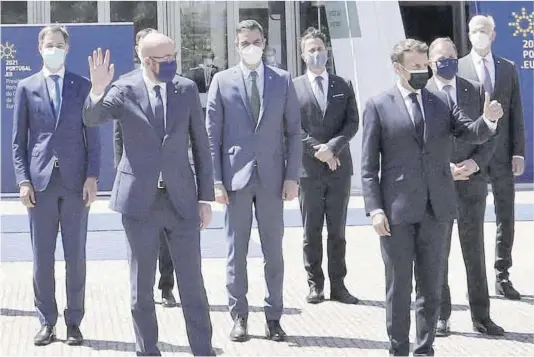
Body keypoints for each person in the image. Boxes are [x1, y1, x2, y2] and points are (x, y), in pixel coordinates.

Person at [361, 38, 503, 356]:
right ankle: (398, 348)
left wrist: (489, 120)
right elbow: (369, 167)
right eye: (414, 66)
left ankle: (424, 349)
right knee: (398, 288)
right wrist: (375, 210)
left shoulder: (440, 102)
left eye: (424, 65)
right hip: (395, 214)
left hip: (436, 210)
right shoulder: (378, 105)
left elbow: (471, 131)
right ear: (398, 68)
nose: (422, 71)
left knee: (431, 287)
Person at [83, 32, 215, 356]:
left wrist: (205, 198)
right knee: (141, 289)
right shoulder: (125, 90)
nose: (173, 64)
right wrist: (98, 89)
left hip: (181, 200)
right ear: (147, 61)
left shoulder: (184, 89)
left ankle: (203, 349)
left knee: (193, 286)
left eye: (174, 57)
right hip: (139, 204)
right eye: (166, 59)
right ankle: (148, 350)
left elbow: (201, 144)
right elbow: (92, 117)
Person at [205, 19, 301, 343]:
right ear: (236, 46)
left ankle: (274, 317)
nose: (251, 47)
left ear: (265, 42)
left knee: (274, 252)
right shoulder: (221, 81)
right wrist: (215, 182)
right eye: (245, 43)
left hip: (273, 179)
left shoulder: (283, 80)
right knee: (236, 252)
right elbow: (211, 136)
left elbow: (293, 133)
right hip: (235, 180)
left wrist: (293, 177)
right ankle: (239, 316)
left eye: (256, 41)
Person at [12, 25, 100, 346]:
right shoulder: (26, 87)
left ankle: (74, 321)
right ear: (40, 49)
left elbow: (94, 137)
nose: (54, 50)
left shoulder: (83, 85)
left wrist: (93, 176)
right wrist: (23, 181)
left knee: (75, 257)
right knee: (42, 258)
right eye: (49, 45)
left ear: (67, 48)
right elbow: (18, 142)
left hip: (76, 184)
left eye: (59, 45)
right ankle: (46, 321)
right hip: (40, 184)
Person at [426, 37, 504, 337]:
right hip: (439, 185)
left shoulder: (474, 89)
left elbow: (490, 134)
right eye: (439, 57)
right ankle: (441, 316)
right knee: (438, 253)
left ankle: (481, 317)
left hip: (472, 182)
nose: (445, 61)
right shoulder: (424, 91)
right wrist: (443, 169)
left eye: (450, 56)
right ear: (431, 61)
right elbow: (420, 139)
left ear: (457, 57)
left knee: (475, 252)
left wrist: (475, 163)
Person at [458, 15, 526, 300]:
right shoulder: (459, 68)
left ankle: (502, 274)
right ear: (469, 34)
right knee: (469, 219)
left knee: (505, 216)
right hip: (471, 156)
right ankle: (474, 280)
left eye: (485, 30)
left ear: (494, 34)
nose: (480, 34)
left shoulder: (507, 68)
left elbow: (516, 113)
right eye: (475, 30)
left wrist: (518, 151)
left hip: (500, 157)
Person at [293, 28, 359, 305]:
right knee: (311, 231)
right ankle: (315, 284)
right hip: (308, 170)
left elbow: (352, 123)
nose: (316, 53)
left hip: (339, 167)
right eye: (311, 49)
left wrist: (332, 149)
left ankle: (339, 285)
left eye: (320, 48)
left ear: (327, 51)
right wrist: (317, 150)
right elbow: (292, 126)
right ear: (303, 55)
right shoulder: (293, 87)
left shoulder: (343, 84)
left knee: (337, 230)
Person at [113, 27, 177, 308]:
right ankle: (143, 293)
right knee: (141, 246)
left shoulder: (175, 86)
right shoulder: (126, 87)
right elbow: (119, 137)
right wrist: (122, 173)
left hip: (168, 183)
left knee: (166, 241)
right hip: (138, 181)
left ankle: (166, 287)